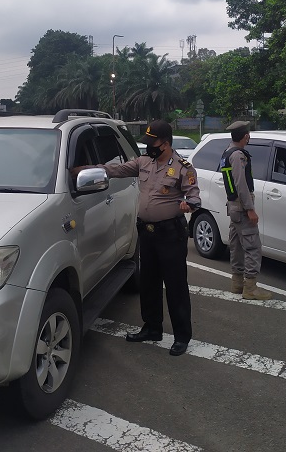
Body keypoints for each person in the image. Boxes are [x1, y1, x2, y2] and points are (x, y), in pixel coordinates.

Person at [72, 120, 201, 356]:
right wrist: (86, 169)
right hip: (147, 233)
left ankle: (182, 336)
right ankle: (152, 328)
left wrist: (188, 204)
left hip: (171, 234)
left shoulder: (183, 168)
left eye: (153, 143)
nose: (149, 147)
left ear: (165, 143)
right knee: (149, 282)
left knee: (175, 285)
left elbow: (194, 196)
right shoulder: (143, 162)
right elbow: (115, 170)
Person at [219, 121, 272, 300]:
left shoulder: (227, 151)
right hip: (241, 208)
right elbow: (240, 184)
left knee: (237, 246)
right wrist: (250, 209)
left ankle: (237, 284)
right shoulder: (238, 155)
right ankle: (250, 287)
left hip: (233, 207)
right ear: (246, 136)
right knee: (253, 247)